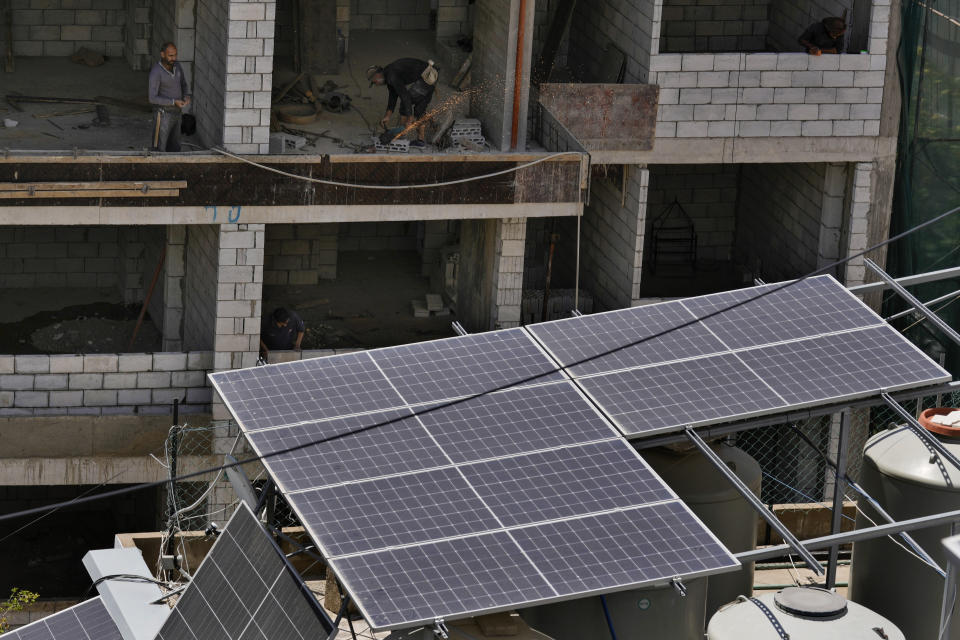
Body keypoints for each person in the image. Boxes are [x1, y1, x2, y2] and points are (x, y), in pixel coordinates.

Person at [366, 58, 439, 147]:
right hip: (430, 74)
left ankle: (401, 134)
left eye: (375, 82)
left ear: (377, 76)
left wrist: (409, 117)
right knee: (419, 109)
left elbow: (405, 96)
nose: (376, 84)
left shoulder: (391, 76)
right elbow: (393, 95)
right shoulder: (388, 74)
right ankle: (420, 140)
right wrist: (387, 115)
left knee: (405, 105)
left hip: (427, 76)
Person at [148, 42, 191, 152]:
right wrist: (173, 102)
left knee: (175, 145)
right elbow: (152, 98)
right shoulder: (156, 72)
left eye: (175, 55)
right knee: (159, 147)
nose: (173, 58)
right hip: (163, 115)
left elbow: (183, 84)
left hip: (177, 113)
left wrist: (186, 95)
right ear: (162, 54)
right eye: (170, 55)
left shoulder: (178, 66)